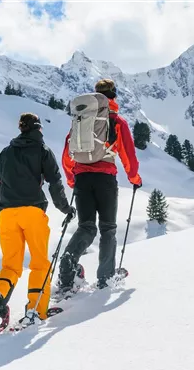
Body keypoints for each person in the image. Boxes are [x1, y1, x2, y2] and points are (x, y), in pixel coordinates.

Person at [0, 113, 76, 333]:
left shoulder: (6, 153)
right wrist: (66, 208)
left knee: (10, 267)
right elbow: (54, 182)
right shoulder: (42, 151)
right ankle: (36, 310)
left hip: (7, 215)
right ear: (38, 129)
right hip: (32, 212)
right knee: (40, 264)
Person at [57, 79, 142, 292]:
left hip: (82, 179)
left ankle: (68, 264)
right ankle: (106, 278)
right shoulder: (116, 121)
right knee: (108, 229)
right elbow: (128, 156)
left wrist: (71, 179)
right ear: (113, 96)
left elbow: (68, 154)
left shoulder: (81, 120)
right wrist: (134, 179)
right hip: (105, 179)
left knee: (86, 226)